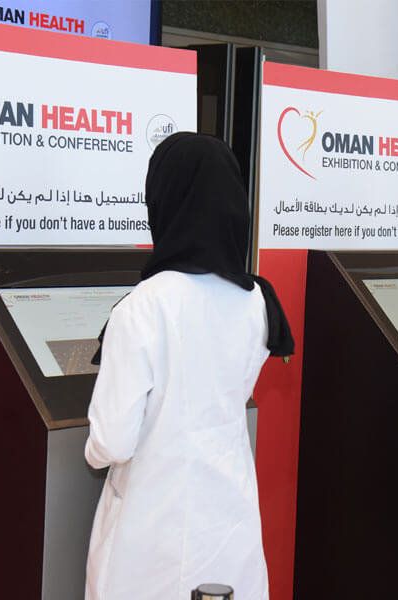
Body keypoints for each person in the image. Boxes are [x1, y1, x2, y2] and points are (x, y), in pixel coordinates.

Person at [84, 132, 294, 600]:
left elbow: (112, 440)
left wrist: (94, 454)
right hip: (229, 515)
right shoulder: (257, 302)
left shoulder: (142, 307)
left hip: (149, 526)